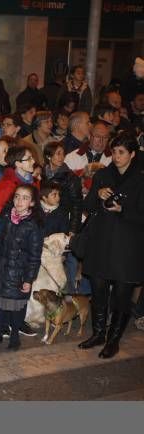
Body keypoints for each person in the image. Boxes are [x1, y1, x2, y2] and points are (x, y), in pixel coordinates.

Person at [78, 132, 144, 359]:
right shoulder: (103, 174)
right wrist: (97, 194)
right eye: (114, 152)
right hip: (101, 241)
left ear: (132, 154)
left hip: (127, 246)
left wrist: (123, 210)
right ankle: (98, 333)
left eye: (121, 152)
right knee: (98, 290)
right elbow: (87, 205)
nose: (116, 156)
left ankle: (113, 339)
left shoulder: (140, 178)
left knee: (122, 296)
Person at [0, 184, 44, 350]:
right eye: (17, 196)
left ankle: (15, 335)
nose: (19, 201)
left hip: (19, 272)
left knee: (17, 305)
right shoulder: (4, 217)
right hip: (0, 268)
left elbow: (34, 256)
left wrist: (29, 279)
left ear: (32, 203)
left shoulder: (34, 225)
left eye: (25, 198)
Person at [0, 145, 39, 242]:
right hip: (10, 238)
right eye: (29, 159)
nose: (33, 161)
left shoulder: (33, 183)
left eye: (32, 158)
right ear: (18, 164)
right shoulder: (8, 185)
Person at [42, 142, 83, 234]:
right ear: (48, 156)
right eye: (58, 153)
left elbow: (77, 205)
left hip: (61, 221)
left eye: (63, 154)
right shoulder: (41, 174)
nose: (62, 157)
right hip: (42, 219)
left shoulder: (71, 178)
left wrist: (73, 229)